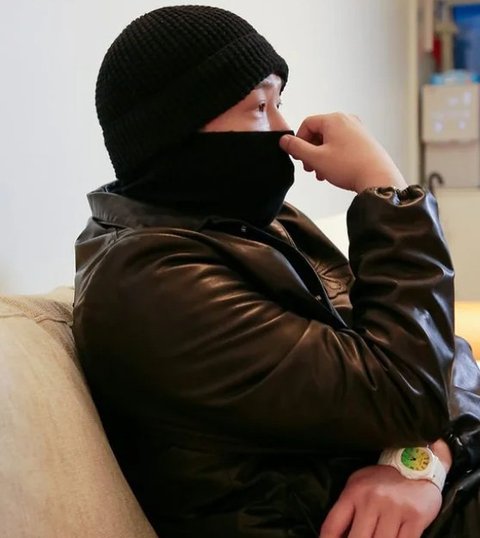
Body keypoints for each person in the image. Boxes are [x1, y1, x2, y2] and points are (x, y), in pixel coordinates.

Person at [73, 5, 480, 538]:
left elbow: (442, 353)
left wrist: (423, 462)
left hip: (435, 496)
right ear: (175, 129)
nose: (285, 131)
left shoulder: (258, 224)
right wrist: (387, 190)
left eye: (279, 103)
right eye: (260, 106)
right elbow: (408, 388)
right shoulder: (152, 283)